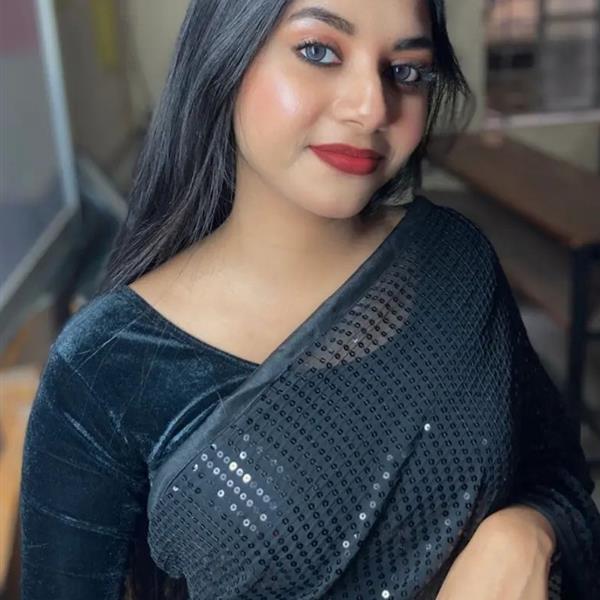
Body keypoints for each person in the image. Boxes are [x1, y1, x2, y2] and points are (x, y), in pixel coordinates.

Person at [19, 1, 600, 599]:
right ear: (225, 54)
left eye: (405, 71)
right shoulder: (106, 364)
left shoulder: (457, 262)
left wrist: (525, 534)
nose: (372, 108)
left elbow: (557, 477)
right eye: (318, 52)